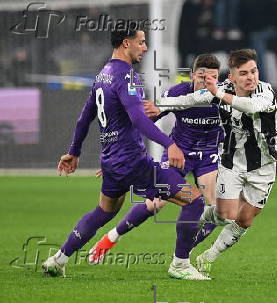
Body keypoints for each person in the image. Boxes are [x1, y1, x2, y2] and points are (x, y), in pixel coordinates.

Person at [41, 28, 211, 280]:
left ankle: (58, 259)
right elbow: (139, 119)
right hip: (134, 162)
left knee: (104, 211)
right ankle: (180, 264)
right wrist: (169, 143)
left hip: (112, 162)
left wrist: (74, 151)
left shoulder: (102, 75)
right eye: (141, 42)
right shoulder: (127, 77)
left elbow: (84, 117)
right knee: (194, 199)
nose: (144, 47)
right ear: (126, 43)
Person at [88, 54, 224, 279]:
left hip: (208, 156)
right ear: (192, 76)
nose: (207, 81)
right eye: (202, 77)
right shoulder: (177, 93)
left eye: (213, 77)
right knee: (155, 204)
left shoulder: (222, 97)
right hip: (178, 154)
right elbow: (146, 120)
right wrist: (120, 155)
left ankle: (182, 256)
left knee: (218, 210)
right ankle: (111, 237)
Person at [196, 49, 277, 277]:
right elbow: (194, 96)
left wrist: (218, 94)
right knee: (225, 215)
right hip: (231, 163)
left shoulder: (266, 91)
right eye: (243, 73)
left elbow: (251, 107)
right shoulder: (222, 89)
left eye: (253, 71)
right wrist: (163, 105)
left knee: (245, 219)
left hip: (263, 167)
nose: (251, 77)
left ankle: (208, 257)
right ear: (232, 77)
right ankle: (198, 216)